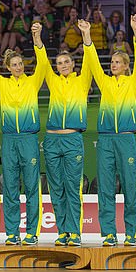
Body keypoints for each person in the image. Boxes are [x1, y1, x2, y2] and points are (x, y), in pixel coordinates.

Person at [82, 13, 136, 247]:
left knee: (130, 186)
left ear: (126, 66)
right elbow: (93, 63)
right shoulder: (105, 82)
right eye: (112, 62)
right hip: (106, 140)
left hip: (126, 139)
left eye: (118, 62)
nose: (113, 65)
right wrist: (87, 35)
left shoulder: (134, 81)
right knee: (106, 187)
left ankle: (130, 233)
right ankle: (108, 233)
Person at [0, 21, 45, 246]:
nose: (18, 67)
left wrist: (37, 40)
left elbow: (43, 64)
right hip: (9, 140)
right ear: (8, 67)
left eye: (20, 64)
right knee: (9, 187)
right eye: (14, 65)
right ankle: (11, 232)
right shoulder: (3, 84)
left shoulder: (33, 82)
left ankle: (32, 232)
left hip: (28, 138)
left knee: (30, 187)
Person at [34, 21, 92, 247]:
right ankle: (62, 232)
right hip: (52, 140)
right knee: (56, 188)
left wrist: (86, 34)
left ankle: (75, 232)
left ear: (73, 63)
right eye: (59, 63)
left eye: (67, 61)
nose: (63, 65)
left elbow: (90, 61)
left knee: (72, 187)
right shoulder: (53, 80)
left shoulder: (82, 80)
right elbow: (42, 61)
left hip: (72, 139)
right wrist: (37, 38)